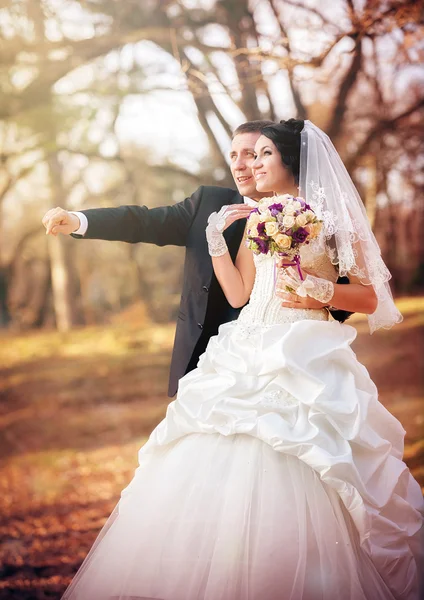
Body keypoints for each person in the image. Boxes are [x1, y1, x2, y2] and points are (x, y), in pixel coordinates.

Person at [60, 120, 423, 600]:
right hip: (243, 346)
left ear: (290, 161)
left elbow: (372, 297)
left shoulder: (334, 219)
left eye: (262, 154)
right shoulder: (255, 218)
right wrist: (215, 242)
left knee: (307, 452)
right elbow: (240, 292)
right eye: (247, 156)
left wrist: (316, 289)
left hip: (301, 352)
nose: (250, 164)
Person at [42, 120, 348, 397]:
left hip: (294, 362)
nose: (241, 166)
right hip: (211, 363)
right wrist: (78, 220)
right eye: (233, 156)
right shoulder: (208, 204)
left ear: (279, 156)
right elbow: (143, 221)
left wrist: (316, 297)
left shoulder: (317, 217)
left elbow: (347, 287)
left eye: (252, 154)